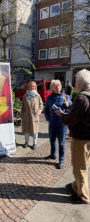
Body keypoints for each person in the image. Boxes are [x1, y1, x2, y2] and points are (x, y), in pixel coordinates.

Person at [55, 69, 90, 204]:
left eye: (76, 81)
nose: (74, 83)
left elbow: (70, 120)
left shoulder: (81, 98)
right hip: (88, 138)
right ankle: (76, 186)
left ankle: (82, 196)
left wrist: (61, 114)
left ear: (79, 83)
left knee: (79, 167)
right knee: (84, 165)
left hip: (81, 139)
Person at [44, 80, 72, 169]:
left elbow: (72, 109)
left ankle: (61, 160)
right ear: (52, 87)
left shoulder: (66, 97)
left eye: (59, 85)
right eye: (55, 85)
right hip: (52, 124)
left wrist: (68, 105)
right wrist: (48, 118)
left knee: (61, 143)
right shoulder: (49, 98)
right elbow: (45, 110)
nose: (57, 87)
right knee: (52, 141)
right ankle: (53, 155)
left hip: (62, 124)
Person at [21, 81, 43, 150]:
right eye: (31, 86)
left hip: (34, 116)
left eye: (33, 86)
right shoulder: (25, 95)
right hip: (26, 115)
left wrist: (38, 113)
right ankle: (26, 142)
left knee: (35, 130)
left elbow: (41, 105)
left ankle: (34, 143)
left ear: (35, 87)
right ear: (28, 87)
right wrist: (22, 115)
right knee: (26, 130)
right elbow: (22, 106)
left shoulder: (37, 95)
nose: (32, 87)